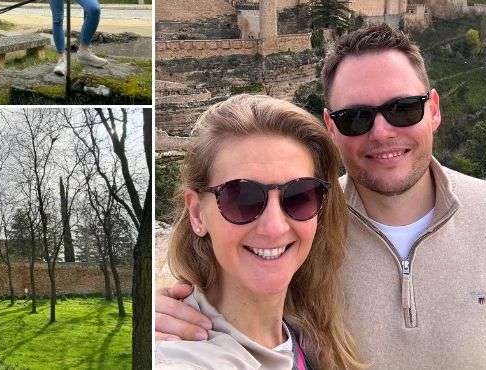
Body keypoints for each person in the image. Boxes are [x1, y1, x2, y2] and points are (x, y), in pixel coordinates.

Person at [156, 24, 486, 369]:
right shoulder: (303, 225)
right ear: (331, 126)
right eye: (356, 117)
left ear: (433, 109)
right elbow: (222, 296)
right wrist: (154, 315)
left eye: (403, 109)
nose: (380, 133)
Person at [156, 94, 364, 369]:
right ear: (197, 213)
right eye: (242, 198)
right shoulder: (182, 357)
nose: (274, 227)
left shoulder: (309, 333)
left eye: (299, 196)